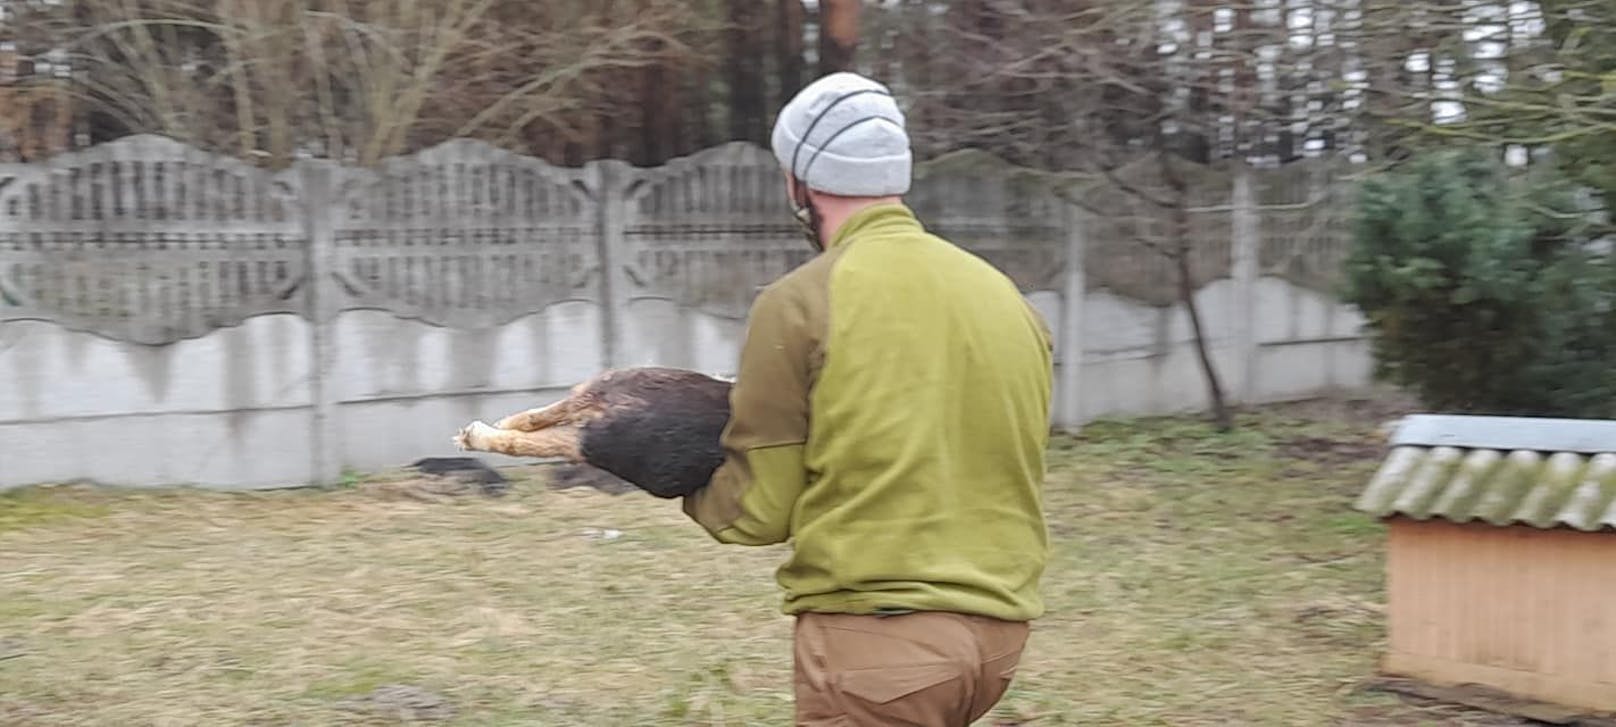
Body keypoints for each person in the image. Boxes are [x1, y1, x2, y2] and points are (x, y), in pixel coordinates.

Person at [680, 71, 1055, 727]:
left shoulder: (799, 303)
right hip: (998, 641)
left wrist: (664, 467)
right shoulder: (1006, 298)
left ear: (800, 180)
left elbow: (759, 512)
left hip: (878, 647)